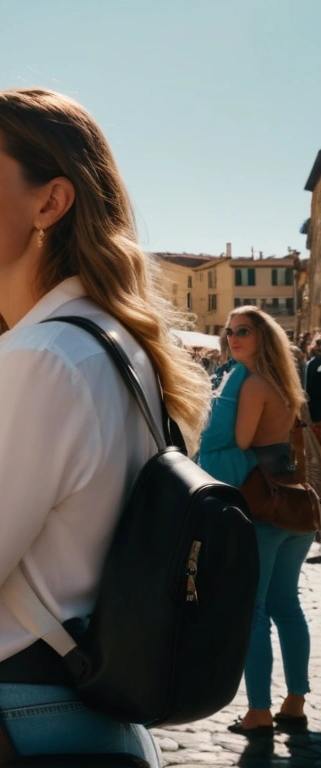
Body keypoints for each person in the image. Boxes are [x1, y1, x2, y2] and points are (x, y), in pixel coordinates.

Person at [0, 88, 214, 766]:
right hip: (58, 705)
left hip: (5, 717)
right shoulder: (102, 341)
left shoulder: (45, 357)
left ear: (50, 202)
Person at [197, 306, 314, 737]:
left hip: (261, 504)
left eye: (242, 331)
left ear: (263, 335)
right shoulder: (286, 381)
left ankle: (259, 711)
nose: (232, 338)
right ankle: (296, 701)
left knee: (256, 610)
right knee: (287, 604)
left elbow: (238, 440)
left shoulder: (251, 383)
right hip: (292, 502)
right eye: (229, 332)